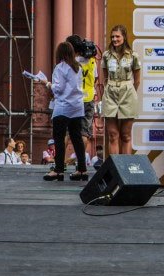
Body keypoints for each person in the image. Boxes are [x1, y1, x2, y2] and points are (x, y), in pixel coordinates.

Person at [41, 42, 86, 181]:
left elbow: (59, 89)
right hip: (77, 106)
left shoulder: (60, 67)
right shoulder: (78, 67)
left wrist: (48, 84)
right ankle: (82, 170)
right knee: (77, 138)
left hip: (63, 106)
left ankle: (58, 170)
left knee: (59, 138)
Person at [101, 25, 140, 155]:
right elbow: (105, 78)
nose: (114, 39)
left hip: (128, 93)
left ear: (124, 37)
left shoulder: (133, 55)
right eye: (112, 36)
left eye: (117, 36)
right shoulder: (106, 55)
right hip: (110, 94)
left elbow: (137, 80)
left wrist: (130, 92)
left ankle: (125, 167)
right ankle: (114, 166)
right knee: (113, 135)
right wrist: (108, 91)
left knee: (126, 135)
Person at [67, 34, 98, 158]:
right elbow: (95, 78)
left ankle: (60, 162)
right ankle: (79, 160)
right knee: (84, 133)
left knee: (67, 132)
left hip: (72, 98)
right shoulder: (92, 61)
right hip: (88, 98)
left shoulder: (70, 61)